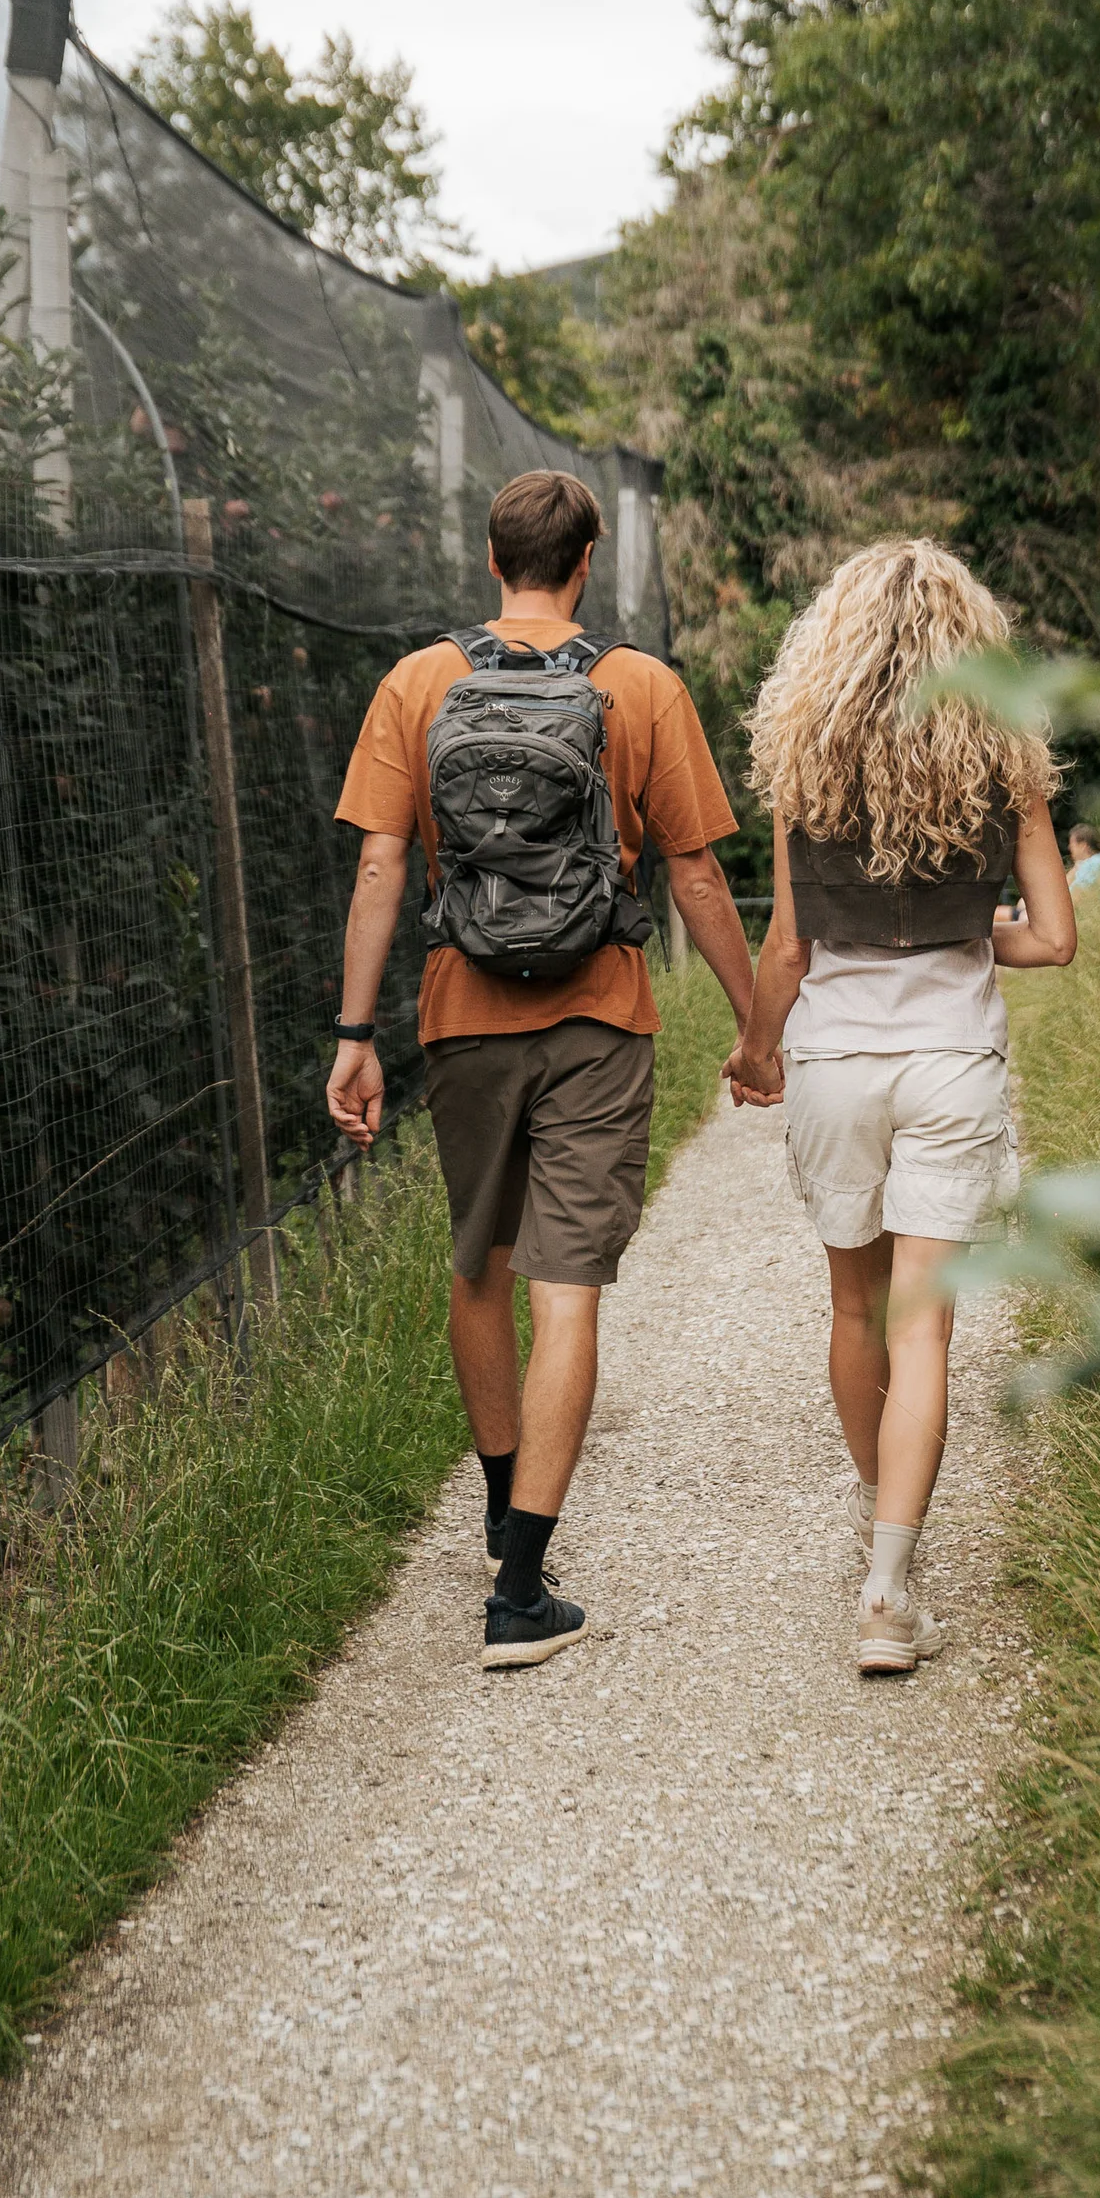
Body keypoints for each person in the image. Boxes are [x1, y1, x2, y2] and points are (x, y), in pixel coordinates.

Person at [327, 469, 754, 1671]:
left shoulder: (420, 681)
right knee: (568, 1288)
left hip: (463, 1012)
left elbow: (378, 870)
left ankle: (501, 1508)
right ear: (587, 559)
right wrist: (756, 1023)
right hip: (600, 1017)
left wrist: (354, 1037)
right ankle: (520, 1583)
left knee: (481, 1264)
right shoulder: (640, 685)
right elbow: (700, 877)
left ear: (492, 557)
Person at [723, 540, 1075, 1674]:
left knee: (854, 1311)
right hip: (951, 1063)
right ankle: (889, 1579)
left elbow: (787, 944)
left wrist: (756, 1046)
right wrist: (973, 937)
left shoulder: (806, 764)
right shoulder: (1004, 761)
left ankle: (886, 1514)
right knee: (926, 1322)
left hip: (834, 1059)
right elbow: (1056, 938)